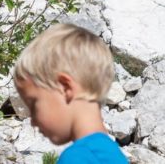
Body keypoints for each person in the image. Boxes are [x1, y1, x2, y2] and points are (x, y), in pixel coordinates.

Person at [13, 24, 128, 164]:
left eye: (34, 104)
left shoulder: (78, 158)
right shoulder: (110, 153)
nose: (33, 121)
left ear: (65, 87)